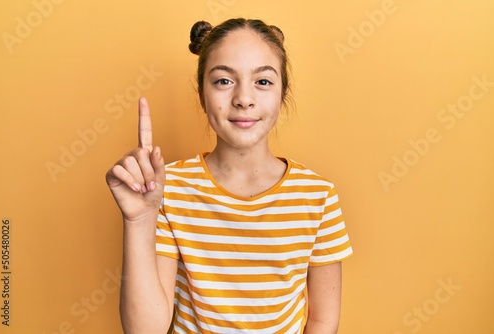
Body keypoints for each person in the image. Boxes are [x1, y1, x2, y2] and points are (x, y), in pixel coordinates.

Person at [106, 18, 353, 334]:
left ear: (282, 93)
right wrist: (139, 221)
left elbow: (322, 319)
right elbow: (146, 330)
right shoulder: (168, 188)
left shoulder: (318, 196)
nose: (244, 99)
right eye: (224, 81)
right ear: (202, 94)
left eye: (263, 81)